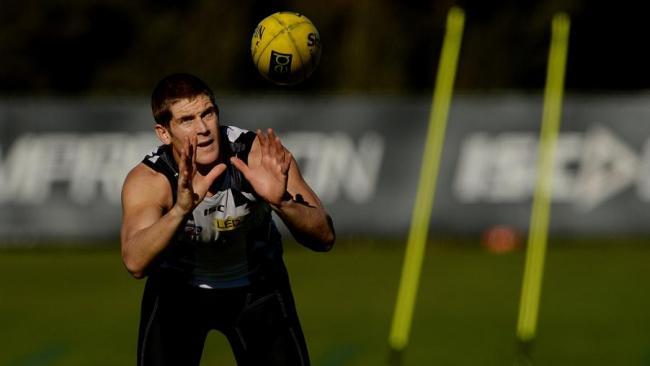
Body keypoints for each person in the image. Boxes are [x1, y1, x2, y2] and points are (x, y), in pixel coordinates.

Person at [120, 73, 335, 366]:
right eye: (187, 120)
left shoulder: (257, 154)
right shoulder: (150, 178)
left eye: (208, 113)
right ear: (164, 133)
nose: (204, 128)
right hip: (177, 295)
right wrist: (180, 210)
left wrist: (281, 202)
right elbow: (134, 261)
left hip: (258, 289)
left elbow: (324, 237)